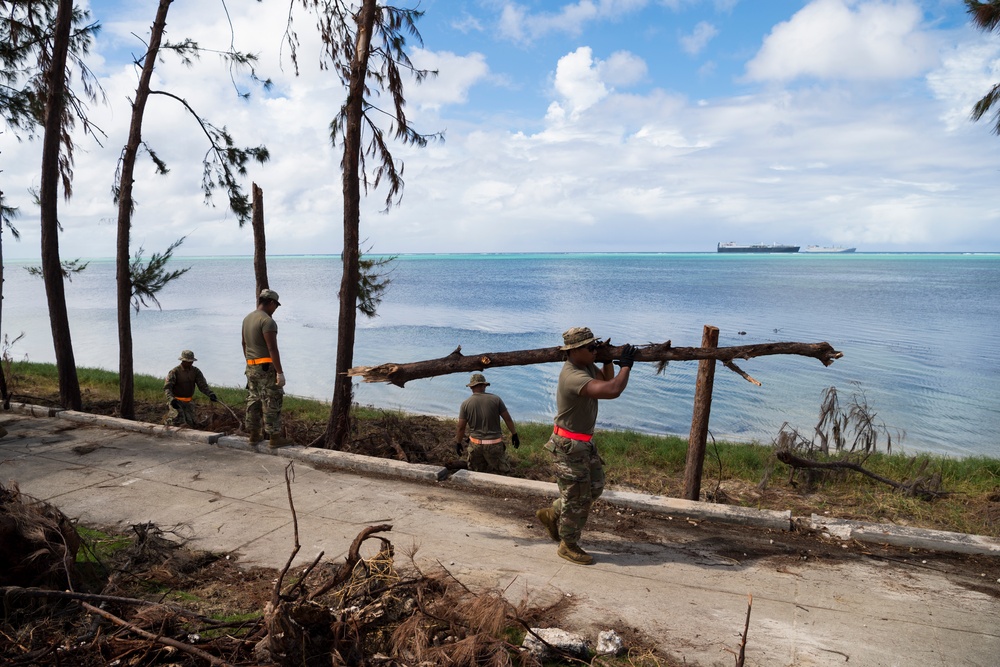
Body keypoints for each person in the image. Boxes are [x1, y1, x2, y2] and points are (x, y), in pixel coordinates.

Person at [535, 327, 637, 565]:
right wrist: (626, 365)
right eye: (590, 347)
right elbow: (612, 390)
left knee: (594, 487)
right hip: (569, 445)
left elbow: (606, 380)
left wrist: (607, 360)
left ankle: (553, 513)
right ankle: (567, 545)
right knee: (577, 497)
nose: (594, 350)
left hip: (583, 443)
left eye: (596, 346)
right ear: (573, 351)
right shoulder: (572, 375)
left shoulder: (585, 366)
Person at [242, 288, 292, 448]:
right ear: (270, 303)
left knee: (254, 401)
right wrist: (280, 372)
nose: (275, 309)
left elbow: (244, 344)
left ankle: (254, 435)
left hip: (251, 367)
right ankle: (274, 438)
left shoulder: (247, 319)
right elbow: (272, 349)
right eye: (276, 306)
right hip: (266, 368)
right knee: (272, 400)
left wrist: (250, 362)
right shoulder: (267, 321)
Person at [454, 373, 520, 474]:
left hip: (476, 445)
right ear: (484, 386)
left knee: (476, 472)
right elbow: (508, 419)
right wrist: (514, 434)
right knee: (503, 472)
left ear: (471, 387)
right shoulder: (496, 399)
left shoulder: (465, 404)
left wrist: (458, 443)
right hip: (494, 444)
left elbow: (461, 427)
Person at [164, 350, 217, 427]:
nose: (190, 363)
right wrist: (172, 400)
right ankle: (167, 422)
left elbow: (203, 386)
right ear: (183, 361)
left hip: (188, 402)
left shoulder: (196, 371)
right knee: (179, 423)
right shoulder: (174, 372)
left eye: (191, 361)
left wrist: (210, 394)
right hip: (176, 402)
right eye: (188, 361)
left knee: (192, 423)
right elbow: (167, 388)